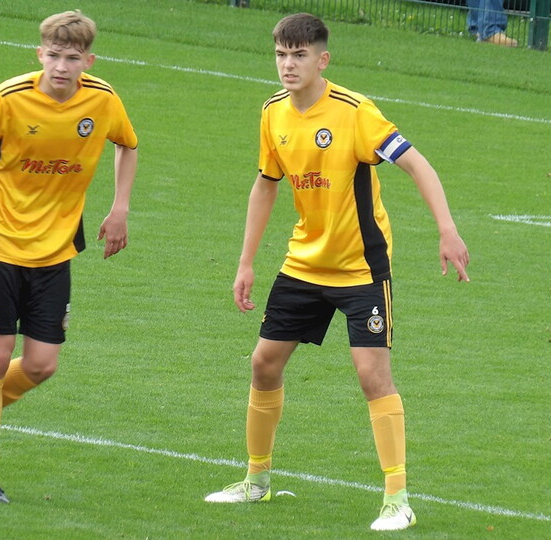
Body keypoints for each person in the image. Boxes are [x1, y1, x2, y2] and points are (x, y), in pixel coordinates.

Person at [203, 13, 470, 532]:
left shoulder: (355, 112)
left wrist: (447, 229)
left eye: (299, 55)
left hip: (360, 268)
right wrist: (245, 261)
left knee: (372, 375)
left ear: (322, 60)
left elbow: (417, 164)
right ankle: (256, 480)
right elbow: (265, 183)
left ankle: (397, 499)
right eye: (281, 54)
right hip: (304, 262)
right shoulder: (273, 112)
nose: (288, 65)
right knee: (263, 364)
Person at [0, 9, 138, 504]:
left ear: (88, 61)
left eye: (73, 58)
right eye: (55, 56)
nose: (62, 66)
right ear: (40, 53)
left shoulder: (103, 100)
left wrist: (120, 208)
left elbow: (127, 146)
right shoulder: (8, 99)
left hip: (55, 250)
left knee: (42, 365)